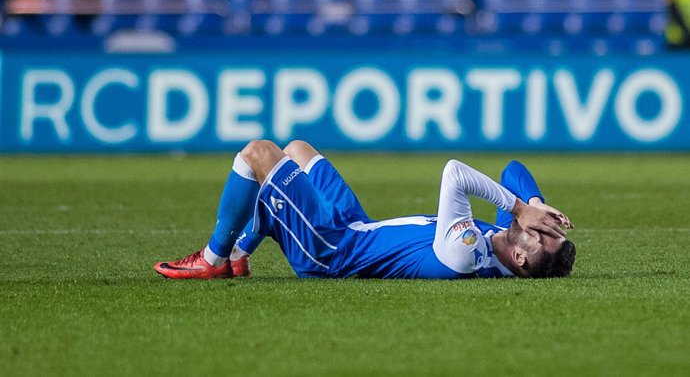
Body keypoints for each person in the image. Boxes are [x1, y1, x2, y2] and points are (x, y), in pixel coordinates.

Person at [155, 140, 575, 280]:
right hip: (355, 226)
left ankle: (212, 260)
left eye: (542, 234)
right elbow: (512, 169)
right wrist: (534, 204)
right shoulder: (505, 238)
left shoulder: (468, 252)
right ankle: (240, 255)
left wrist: (519, 205)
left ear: (521, 258)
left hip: (333, 250)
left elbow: (454, 174)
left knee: (259, 154)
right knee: (298, 150)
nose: (538, 226)